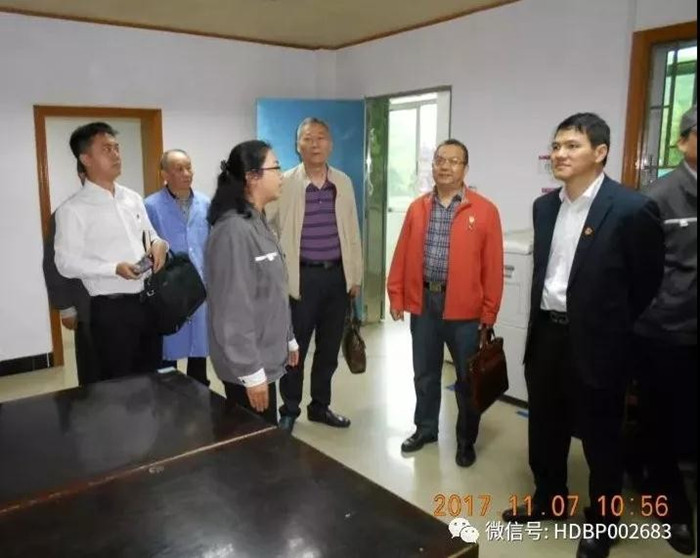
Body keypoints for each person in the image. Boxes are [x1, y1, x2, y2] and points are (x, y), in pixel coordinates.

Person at [501, 113, 664, 558]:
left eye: (572, 145)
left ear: (600, 152)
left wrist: (610, 324)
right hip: (547, 336)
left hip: (599, 342)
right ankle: (549, 498)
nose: (560, 154)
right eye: (556, 146)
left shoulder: (631, 209)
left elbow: (647, 282)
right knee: (545, 426)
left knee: (601, 438)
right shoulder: (544, 208)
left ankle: (603, 522)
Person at [386, 139, 504, 467]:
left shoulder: (485, 211)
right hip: (424, 302)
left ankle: (466, 440)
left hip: (465, 310)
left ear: (465, 169)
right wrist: (397, 294)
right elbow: (402, 253)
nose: (445, 166)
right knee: (424, 373)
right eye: (440, 160)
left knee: (467, 379)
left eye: (454, 161)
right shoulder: (417, 208)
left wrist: (489, 312)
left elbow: (493, 267)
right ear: (433, 165)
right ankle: (425, 429)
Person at [267, 117, 363, 433]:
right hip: (301, 280)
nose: (315, 144)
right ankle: (289, 409)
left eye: (321, 138)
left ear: (330, 144)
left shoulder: (343, 183)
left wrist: (355, 276)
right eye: (308, 138)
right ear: (298, 146)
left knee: (329, 350)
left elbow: (353, 232)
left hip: (337, 278)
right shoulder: (285, 183)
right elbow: (265, 223)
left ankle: (320, 406)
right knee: (294, 349)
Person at [54, 122, 168, 381]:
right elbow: (65, 262)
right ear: (86, 159)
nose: (116, 154)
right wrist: (113, 269)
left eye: (117, 148)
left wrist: (160, 244)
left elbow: (150, 235)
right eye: (107, 149)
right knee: (117, 387)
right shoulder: (72, 210)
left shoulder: (133, 198)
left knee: (151, 381)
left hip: (146, 303)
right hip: (110, 310)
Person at [632, 106, 697, 556]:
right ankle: (672, 506)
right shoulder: (658, 198)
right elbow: (640, 274)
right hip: (667, 331)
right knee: (665, 421)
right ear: (683, 141)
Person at [206, 140, 299, 425]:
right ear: (252, 177)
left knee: (263, 441)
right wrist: (251, 373)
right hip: (246, 366)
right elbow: (232, 310)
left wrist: (288, 338)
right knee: (252, 446)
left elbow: (272, 289)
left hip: (265, 355)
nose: (281, 175)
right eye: (275, 168)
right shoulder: (233, 230)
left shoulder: (257, 220)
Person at [145, 150, 211, 387]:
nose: (186, 173)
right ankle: (167, 395)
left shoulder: (205, 203)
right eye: (179, 169)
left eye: (188, 167)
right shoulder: (150, 206)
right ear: (164, 174)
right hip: (169, 290)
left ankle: (200, 393)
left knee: (199, 352)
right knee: (168, 350)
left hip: (199, 288)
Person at [43, 162, 98, 385]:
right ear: (81, 175)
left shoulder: (124, 206)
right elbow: (53, 264)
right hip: (87, 307)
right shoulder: (67, 213)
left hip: (123, 305)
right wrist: (65, 307)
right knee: (93, 376)